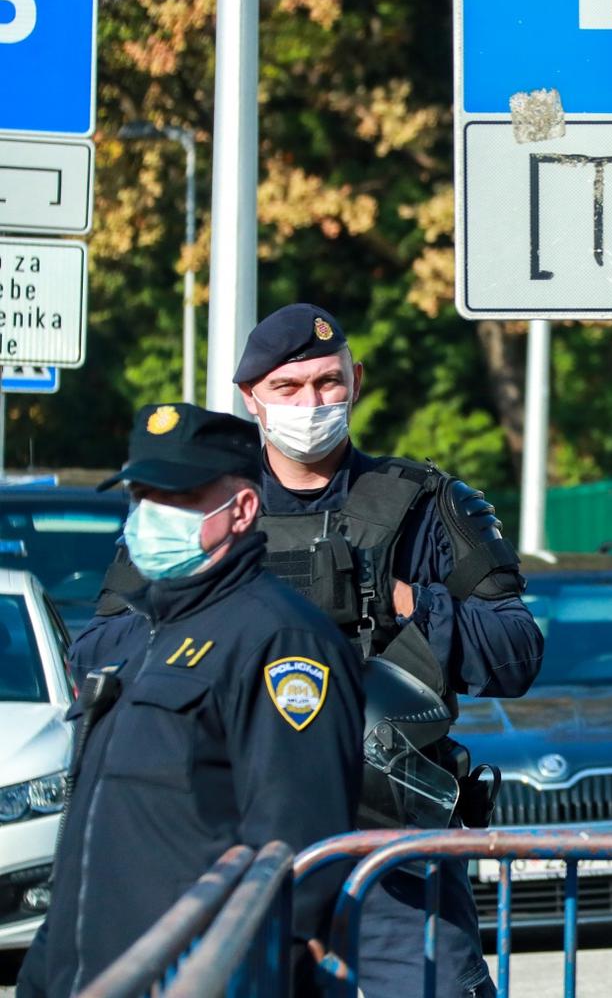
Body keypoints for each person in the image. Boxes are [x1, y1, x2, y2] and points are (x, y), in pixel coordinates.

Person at [92, 304, 544, 998]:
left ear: (355, 381)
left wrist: (396, 599)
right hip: (232, 847)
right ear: (251, 398)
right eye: (288, 388)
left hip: (392, 849)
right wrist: (219, 614)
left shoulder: (424, 503)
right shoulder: (196, 507)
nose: (312, 403)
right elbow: (98, 650)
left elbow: (516, 652)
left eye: (328, 382)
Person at [18, 403, 364, 996]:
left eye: (175, 499)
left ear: (243, 510)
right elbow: (91, 835)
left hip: (196, 979)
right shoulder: (130, 636)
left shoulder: (281, 640)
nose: (151, 515)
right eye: (142, 495)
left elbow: (296, 855)